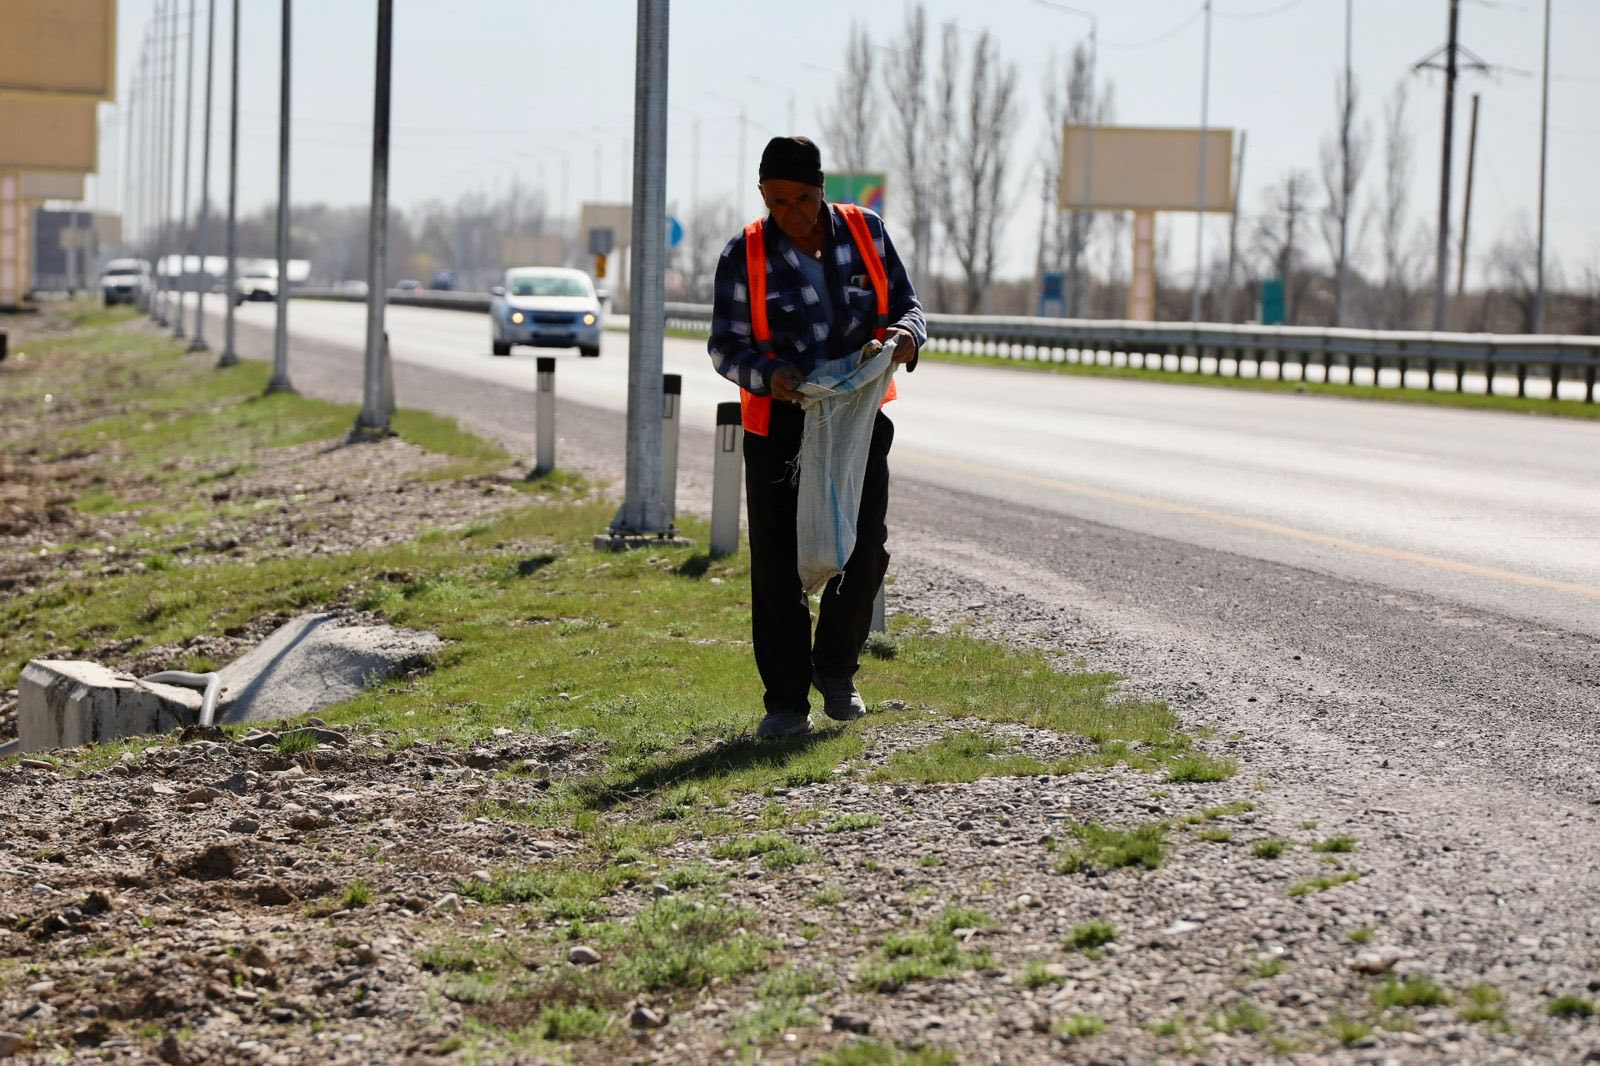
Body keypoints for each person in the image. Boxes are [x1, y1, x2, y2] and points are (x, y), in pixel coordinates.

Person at [708, 136, 927, 740]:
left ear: (822, 189)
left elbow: (908, 306)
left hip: (857, 420)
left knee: (864, 547)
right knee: (778, 565)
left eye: (802, 199)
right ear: (762, 195)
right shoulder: (743, 254)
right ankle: (785, 703)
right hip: (779, 425)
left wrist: (906, 339)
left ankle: (835, 672)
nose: (792, 214)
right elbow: (724, 346)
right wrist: (767, 375)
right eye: (777, 201)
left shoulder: (866, 232)